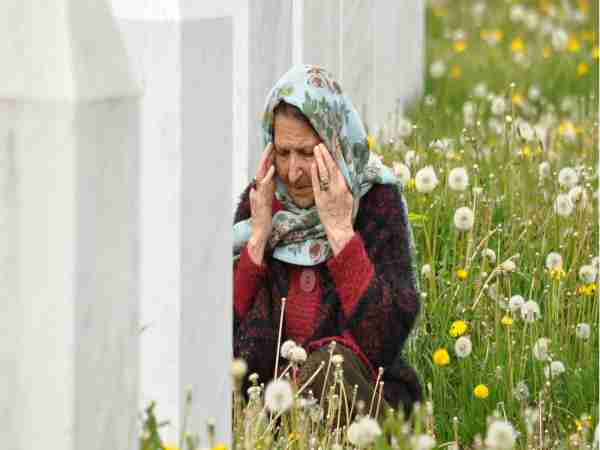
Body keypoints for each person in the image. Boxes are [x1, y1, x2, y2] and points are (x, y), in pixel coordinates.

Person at [232, 64, 422, 422]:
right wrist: (257, 242)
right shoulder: (261, 203)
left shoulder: (374, 202)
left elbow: (387, 336)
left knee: (330, 369)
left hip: (358, 407)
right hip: (268, 408)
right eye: (283, 152)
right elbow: (224, 336)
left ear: (334, 144)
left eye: (307, 153)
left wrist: (339, 232)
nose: (293, 171)